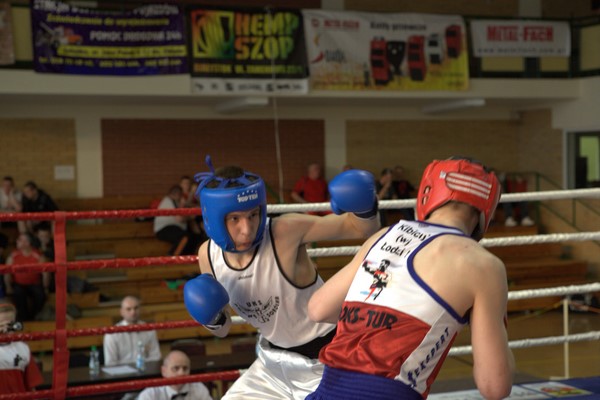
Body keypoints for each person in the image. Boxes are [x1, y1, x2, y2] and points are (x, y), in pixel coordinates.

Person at [306, 157, 514, 400]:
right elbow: (494, 386)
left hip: (326, 390)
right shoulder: (483, 265)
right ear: (486, 210)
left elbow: (318, 309)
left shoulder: (384, 235)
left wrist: (373, 315)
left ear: (427, 193)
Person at [183, 156, 380, 400]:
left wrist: (365, 206)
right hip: (271, 365)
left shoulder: (284, 232)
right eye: (234, 219)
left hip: (327, 362)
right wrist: (210, 317)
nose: (247, 229)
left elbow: (361, 228)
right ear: (213, 217)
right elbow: (223, 330)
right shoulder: (208, 255)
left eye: (253, 215)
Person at [103, 295, 161, 367]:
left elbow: (156, 357)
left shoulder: (149, 330)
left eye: (136, 308)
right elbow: (110, 363)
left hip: (145, 371)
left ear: (140, 309)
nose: (133, 312)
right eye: (128, 309)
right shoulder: (112, 334)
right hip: (122, 372)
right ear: (121, 312)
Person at [0, 302, 44, 394]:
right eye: (1, 325)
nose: (5, 329)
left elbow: (31, 385)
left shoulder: (23, 348)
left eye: (10, 324)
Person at [4, 233, 49, 321]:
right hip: (18, 284)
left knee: (40, 295)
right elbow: (7, 273)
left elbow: (46, 274)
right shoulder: (13, 256)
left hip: (35, 284)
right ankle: (23, 319)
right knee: (18, 294)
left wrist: (45, 287)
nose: (17, 241)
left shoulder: (38, 256)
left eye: (20, 240)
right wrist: (8, 287)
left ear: (28, 242)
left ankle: (33, 317)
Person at [137, 350, 213, 400]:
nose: (181, 373)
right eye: (175, 368)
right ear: (164, 371)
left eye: (185, 368)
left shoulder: (199, 389)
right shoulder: (149, 394)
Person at [153, 185, 200, 256]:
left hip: (172, 228)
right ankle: (172, 257)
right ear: (177, 194)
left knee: (194, 238)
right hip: (164, 229)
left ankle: (185, 258)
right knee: (184, 237)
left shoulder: (173, 201)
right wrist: (190, 217)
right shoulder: (169, 201)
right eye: (180, 195)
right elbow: (179, 218)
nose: (181, 198)